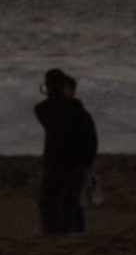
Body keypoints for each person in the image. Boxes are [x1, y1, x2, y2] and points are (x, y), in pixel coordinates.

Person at [34, 68, 97, 235]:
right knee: (69, 202)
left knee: (47, 202)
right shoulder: (76, 107)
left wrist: (47, 92)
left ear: (47, 86)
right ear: (63, 86)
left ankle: (50, 234)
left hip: (52, 162)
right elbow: (89, 136)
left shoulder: (41, 109)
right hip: (74, 163)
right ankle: (65, 233)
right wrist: (87, 160)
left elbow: (50, 107)